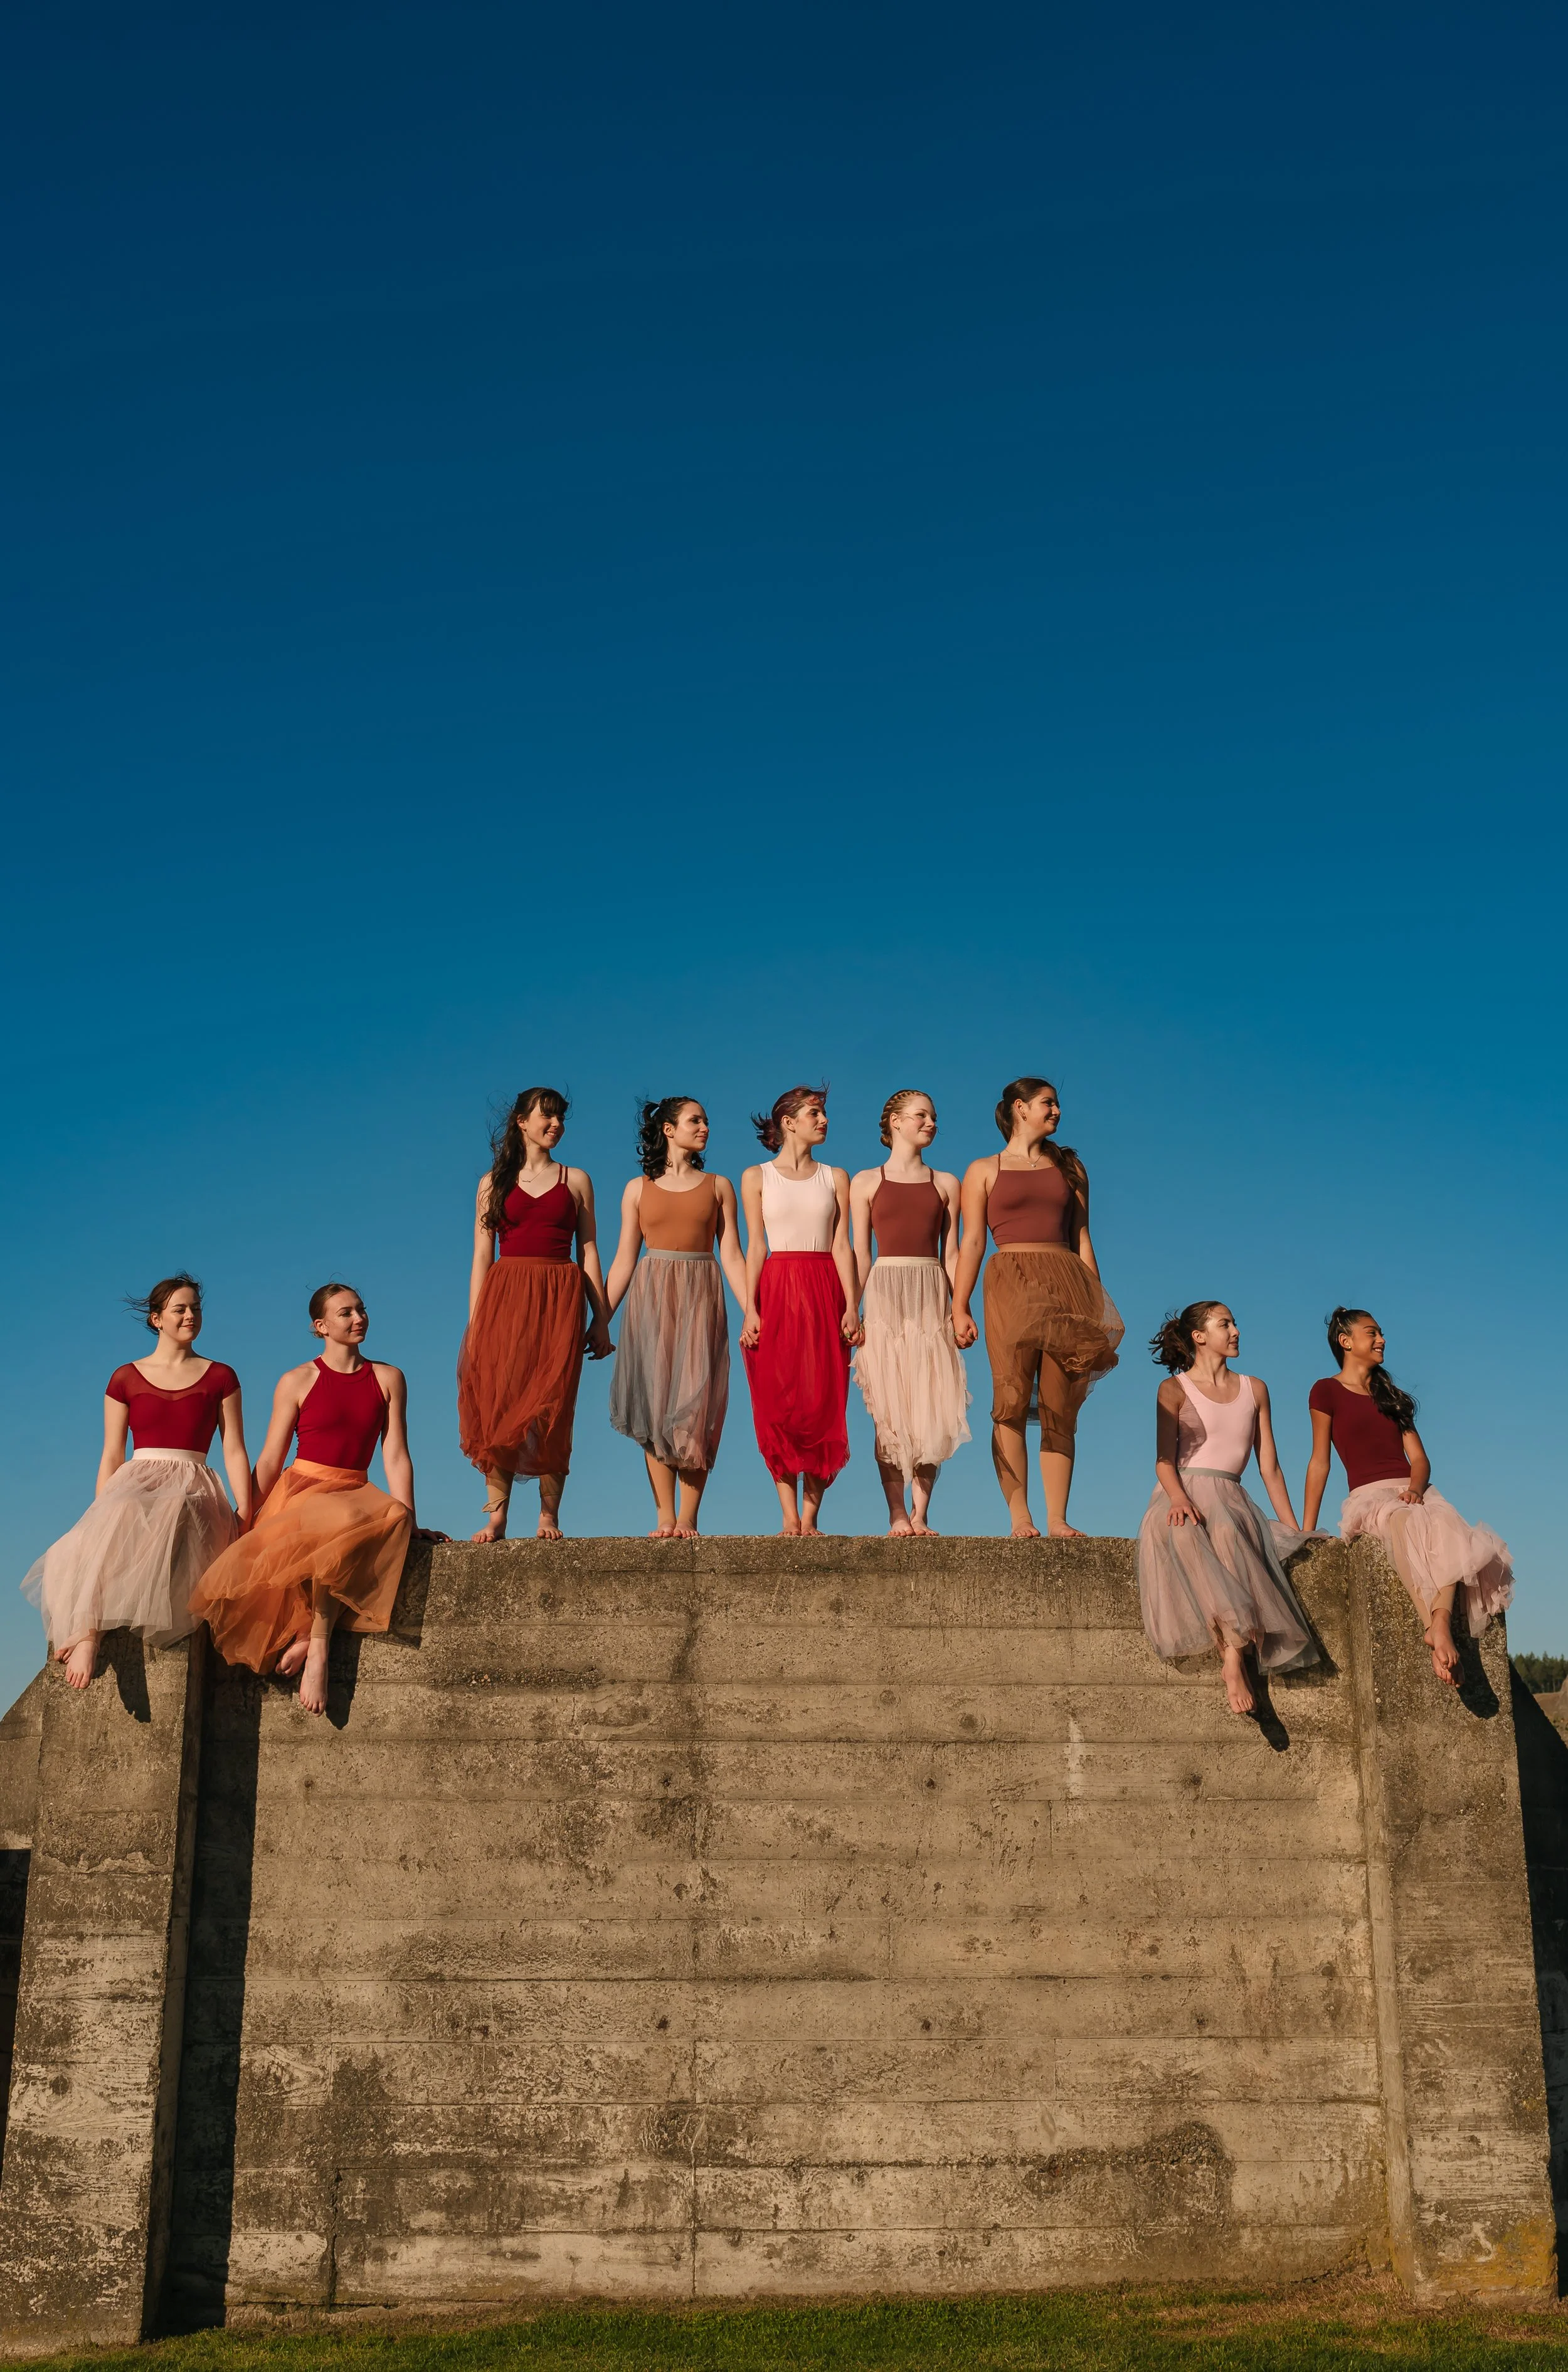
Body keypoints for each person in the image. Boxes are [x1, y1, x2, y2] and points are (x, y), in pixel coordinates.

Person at [190, 1283, 441, 1715]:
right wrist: (247, 1512)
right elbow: (271, 1458)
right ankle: (318, 1648)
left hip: (354, 1488)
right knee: (334, 1525)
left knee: (391, 1516)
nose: (359, 1318)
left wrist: (411, 1520)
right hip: (303, 1488)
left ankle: (312, 1640)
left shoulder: (388, 1378)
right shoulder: (297, 1380)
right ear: (321, 1325)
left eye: (361, 1310)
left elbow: (396, 1453)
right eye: (346, 1313)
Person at [22, 1274, 250, 1690]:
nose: (190, 1316)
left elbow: (234, 1448)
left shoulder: (221, 1376)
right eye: (180, 1309)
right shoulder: (125, 1377)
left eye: (196, 1308)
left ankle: (92, 1632)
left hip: (193, 1481)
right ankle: (89, 1633)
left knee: (176, 1506)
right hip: (137, 1479)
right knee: (108, 1520)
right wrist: (99, 1514)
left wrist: (246, 1506)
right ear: (157, 1318)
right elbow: (112, 1453)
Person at [1304, 1307, 1513, 1688]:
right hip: (1370, 1496)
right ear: (1346, 1341)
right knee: (1404, 1522)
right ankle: (1436, 1630)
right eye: (1372, 1333)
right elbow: (1320, 1462)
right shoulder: (1325, 1391)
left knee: (1446, 1523)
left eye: (1381, 1333)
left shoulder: (1391, 1396)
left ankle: (1439, 1627)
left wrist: (1415, 1490)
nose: (1382, 1339)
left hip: (1415, 1489)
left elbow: (1419, 1459)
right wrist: (1305, 1528)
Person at [950, 1076, 1122, 1538]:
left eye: (1058, 1104)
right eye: (1049, 1103)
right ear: (1020, 1109)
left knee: (1058, 1405)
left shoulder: (1071, 1168)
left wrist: (1096, 1303)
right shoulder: (983, 1170)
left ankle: (1058, 1518)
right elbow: (971, 1242)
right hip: (1009, 1283)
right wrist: (959, 1305)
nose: (1057, 1111)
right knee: (1009, 1400)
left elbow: (1084, 1238)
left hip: (1066, 1282)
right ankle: (1020, 1517)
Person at [1135, 1301, 1318, 1715]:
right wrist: (1180, 1498)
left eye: (1235, 1323)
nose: (1236, 1331)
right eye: (1225, 1324)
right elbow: (1164, 1460)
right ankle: (1233, 1655)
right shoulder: (1174, 1389)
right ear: (1199, 1336)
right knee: (1184, 1534)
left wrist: (1293, 1527)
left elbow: (1269, 1466)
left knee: (1227, 1530)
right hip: (1180, 1491)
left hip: (1231, 1494)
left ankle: (1233, 1657)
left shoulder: (1256, 1389)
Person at [458, 1086, 611, 1543]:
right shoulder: (492, 1183)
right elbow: (481, 1258)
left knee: (553, 1406)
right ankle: (496, 1516)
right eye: (547, 1116)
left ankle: (548, 1516)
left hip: (560, 1295)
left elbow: (589, 1251)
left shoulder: (577, 1179)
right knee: (500, 1403)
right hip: (506, 1298)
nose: (556, 1125)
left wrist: (600, 1317)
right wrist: (476, 1324)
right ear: (521, 1122)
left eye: (561, 1118)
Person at [604, 1096, 748, 1537]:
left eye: (705, 1120)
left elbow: (732, 1255)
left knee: (695, 1407)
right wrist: (600, 1319)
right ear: (669, 1130)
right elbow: (624, 1260)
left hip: (701, 1295)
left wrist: (752, 1310)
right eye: (695, 1120)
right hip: (652, 1299)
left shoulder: (720, 1186)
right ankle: (665, 1516)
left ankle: (689, 1516)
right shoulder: (637, 1189)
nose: (704, 1127)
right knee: (655, 1405)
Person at [740, 1084, 862, 1536]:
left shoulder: (837, 1177)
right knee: (778, 1402)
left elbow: (842, 1245)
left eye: (824, 1112)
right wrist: (750, 1309)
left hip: (823, 1286)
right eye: (815, 1113)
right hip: (777, 1287)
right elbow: (755, 1247)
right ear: (788, 1123)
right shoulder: (757, 1177)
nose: (824, 1120)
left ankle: (811, 1517)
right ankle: (788, 1514)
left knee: (824, 1401)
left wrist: (852, 1305)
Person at [849, 1088, 970, 1535]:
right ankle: (896, 1512)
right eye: (921, 1115)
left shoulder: (947, 1183)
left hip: (930, 1294)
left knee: (932, 1405)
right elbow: (860, 1253)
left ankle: (921, 1513)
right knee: (890, 1409)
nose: (931, 1123)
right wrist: (851, 1307)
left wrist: (961, 1309)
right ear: (895, 1122)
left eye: (934, 1116)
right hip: (884, 1293)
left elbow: (953, 1254)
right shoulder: (865, 1181)